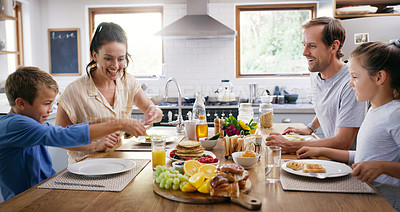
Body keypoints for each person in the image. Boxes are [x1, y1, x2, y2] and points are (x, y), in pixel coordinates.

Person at [0, 66, 147, 201]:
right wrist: (119, 124)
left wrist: (99, 126)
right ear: (21, 103)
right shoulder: (15, 124)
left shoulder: (24, 122)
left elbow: (65, 132)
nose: (51, 109)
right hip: (24, 201)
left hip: (43, 191)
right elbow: (61, 135)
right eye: (46, 104)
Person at [297, 40, 400, 211]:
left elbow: (375, 163)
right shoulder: (375, 110)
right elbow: (364, 157)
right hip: (367, 196)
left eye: (355, 77)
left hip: (386, 205)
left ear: (379, 77)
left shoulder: (395, 114)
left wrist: (383, 167)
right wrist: (321, 150)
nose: (350, 83)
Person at [56, 22, 163, 164]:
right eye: (108, 58)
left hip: (120, 165)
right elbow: (59, 138)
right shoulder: (74, 91)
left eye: (121, 59)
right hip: (84, 171)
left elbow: (156, 114)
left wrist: (154, 112)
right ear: (95, 55)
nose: (115, 65)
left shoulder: (128, 82)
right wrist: (94, 146)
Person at [266, 17, 366, 153]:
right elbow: (327, 106)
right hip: (330, 158)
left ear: (334, 46)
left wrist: (290, 145)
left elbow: (343, 143)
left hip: (351, 168)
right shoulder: (317, 73)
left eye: (312, 46)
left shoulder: (350, 83)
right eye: (304, 45)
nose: (304, 53)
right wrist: (311, 128)